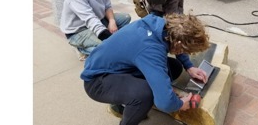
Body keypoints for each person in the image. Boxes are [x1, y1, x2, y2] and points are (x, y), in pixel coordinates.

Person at [81, 13, 211, 125]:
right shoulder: (151, 50)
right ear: (178, 43)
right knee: (145, 94)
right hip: (97, 81)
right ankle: (121, 107)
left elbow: (178, 41)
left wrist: (189, 66)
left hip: (116, 69)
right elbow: (165, 104)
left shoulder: (161, 25)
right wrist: (179, 104)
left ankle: (128, 97)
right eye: (184, 50)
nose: (183, 52)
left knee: (174, 67)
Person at [60, 0, 132, 60]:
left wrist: (112, 21)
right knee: (107, 48)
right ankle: (82, 49)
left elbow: (107, 6)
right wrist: (111, 40)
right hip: (78, 31)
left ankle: (108, 41)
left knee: (125, 18)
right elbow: (90, 19)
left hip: (98, 20)